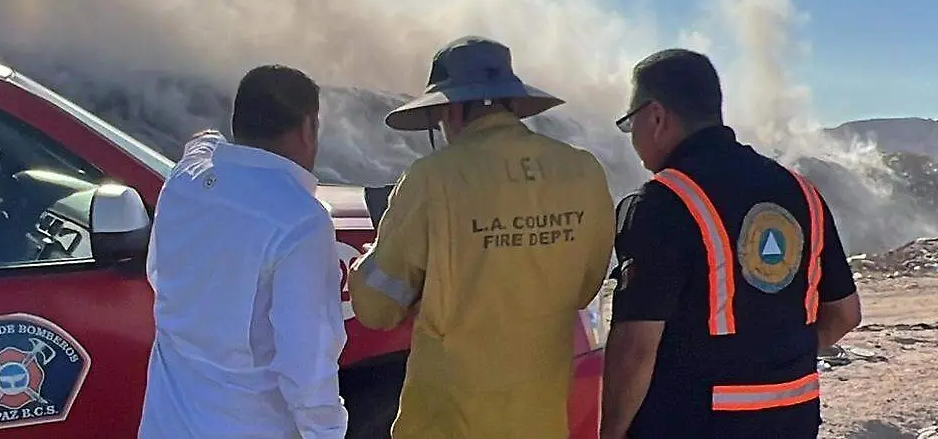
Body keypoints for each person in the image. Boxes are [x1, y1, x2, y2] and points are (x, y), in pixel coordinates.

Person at [347, 35, 617, 439]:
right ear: (512, 102)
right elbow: (582, 289)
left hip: (449, 422)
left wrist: (367, 263)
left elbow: (377, 306)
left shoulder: (432, 178)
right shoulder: (584, 172)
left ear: (453, 109)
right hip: (538, 421)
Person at [599, 49, 862, 439]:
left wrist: (612, 432)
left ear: (656, 116)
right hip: (793, 419)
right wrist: (778, 361)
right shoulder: (801, 192)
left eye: (629, 123)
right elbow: (845, 314)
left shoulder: (659, 203)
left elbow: (636, 348)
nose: (632, 138)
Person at [138, 65, 348, 439]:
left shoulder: (184, 179)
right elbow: (307, 364)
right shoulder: (301, 222)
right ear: (308, 128)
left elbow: (201, 144)